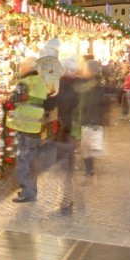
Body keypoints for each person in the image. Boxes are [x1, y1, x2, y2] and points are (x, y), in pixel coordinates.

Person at [7, 57, 48, 203]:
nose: (21, 67)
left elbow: (15, 98)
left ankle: (27, 192)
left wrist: (9, 97)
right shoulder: (40, 81)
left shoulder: (25, 82)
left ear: (28, 67)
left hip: (25, 126)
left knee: (23, 159)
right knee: (31, 158)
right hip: (35, 125)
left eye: (23, 65)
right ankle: (31, 190)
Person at [50, 56, 80, 213]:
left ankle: (66, 200)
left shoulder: (63, 86)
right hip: (73, 130)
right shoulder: (78, 85)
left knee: (65, 167)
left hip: (66, 130)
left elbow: (53, 103)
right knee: (66, 166)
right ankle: (67, 198)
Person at [75, 59, 110, 182]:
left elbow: (92, 103)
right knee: (88, 146)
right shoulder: (97, 82)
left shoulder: (94, 84)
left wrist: (89, 118)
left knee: (87, 146)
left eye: (85, 68)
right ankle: (89, 169)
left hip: (91, 119)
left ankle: (89, 170)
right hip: (93, 119)